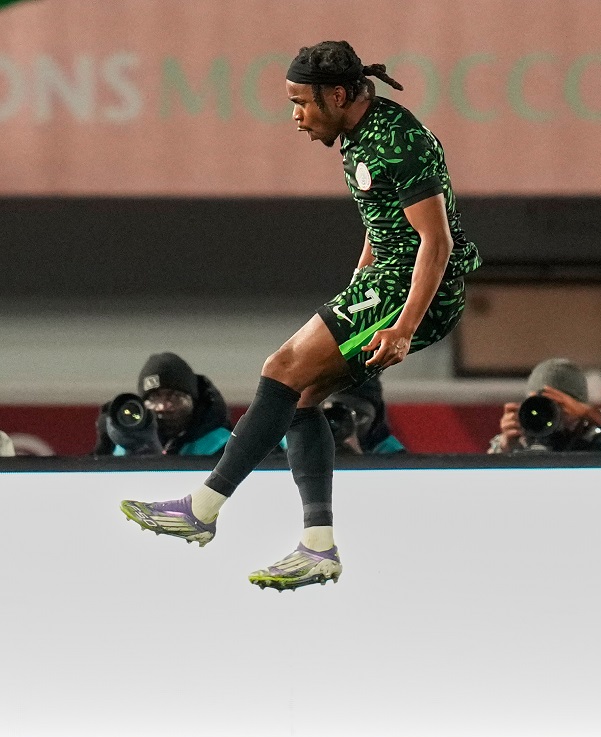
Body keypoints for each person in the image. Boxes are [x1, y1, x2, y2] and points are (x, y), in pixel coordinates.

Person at [119, 40, 480, 590]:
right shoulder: (356, 135)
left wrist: (403, 327)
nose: (295, 117)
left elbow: (437, 241)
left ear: (337, 95)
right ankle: (317, 545)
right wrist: (359, 279)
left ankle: (203, 507)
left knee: (281, 368)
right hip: (388, 280)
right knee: (302, 397)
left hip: (414, 286)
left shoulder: (400, 141)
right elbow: (382, 219)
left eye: (301, 103)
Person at [487, 358, 601, 454]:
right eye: (540, 405)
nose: (547, 414)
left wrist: (595, 416)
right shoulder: (518, 443)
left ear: (578, 408)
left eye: (561, 406)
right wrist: (504, 447)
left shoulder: (600, 441)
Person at [93, 353, 233, 457]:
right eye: (154, 399)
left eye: (175, 397)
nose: (163, 407)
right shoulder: (123, 444)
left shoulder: (223, 445)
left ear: (194, 403)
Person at [320, 376, 406, 455]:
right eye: (338, 414)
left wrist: (357, 458)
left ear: (376, 419)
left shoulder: (394, 455)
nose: (349, 423)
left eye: (359, 416)